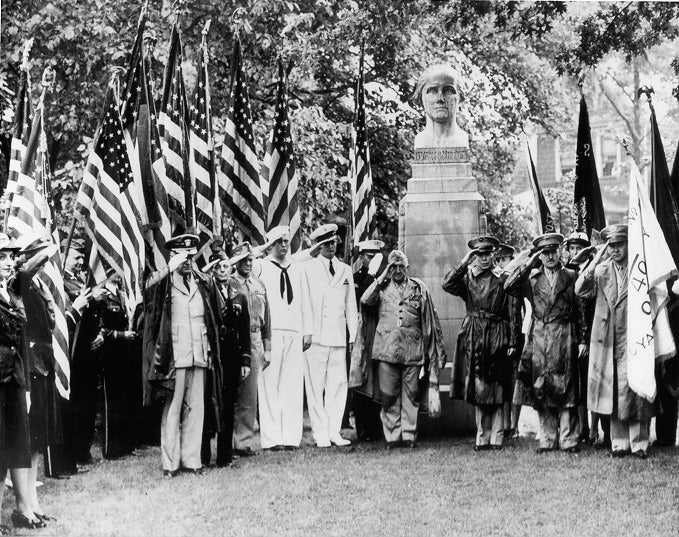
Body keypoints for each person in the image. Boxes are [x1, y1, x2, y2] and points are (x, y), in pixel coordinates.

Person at [143, 234, 222, 476]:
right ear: (174, 256)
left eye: (190, 256)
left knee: (196, 409)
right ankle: (170, 463)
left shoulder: (202, 282)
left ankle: (192, 460)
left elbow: (214, 313)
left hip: (199, 352)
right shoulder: (164, 282)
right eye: (182, 256)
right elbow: (148, 290)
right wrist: (169, 268)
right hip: (174, 355)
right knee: (172, 410)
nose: (187, 261)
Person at [575, 224, 653, 458]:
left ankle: (639, 443)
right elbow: (580, 289)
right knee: (613, 388)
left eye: (620, 245)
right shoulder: (600, 271)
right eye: (612, 245)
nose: (616, 250)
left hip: (633, 336)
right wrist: (597, 256)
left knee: (635, 388)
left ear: (628, 245)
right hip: (607, 338)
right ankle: (619, 443)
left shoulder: (640, 269)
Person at [355, 250, 445, 449]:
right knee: (388, 395)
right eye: (393, 266)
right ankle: (392, 437)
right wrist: (382, 276)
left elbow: (429, 320)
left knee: (411, 394)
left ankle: (408, 435)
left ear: (407, 267)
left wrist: (430, 351)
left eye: (400, 266)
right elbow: (364, 300)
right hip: (386, 350)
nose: (397, 270)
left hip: (413, 350)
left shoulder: (419, 288)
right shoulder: (382, 287)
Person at [505, 233, 587, 453]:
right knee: (542, 386)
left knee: (567, 386)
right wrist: (530, 261)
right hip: (540, 335)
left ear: (560, 250)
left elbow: (580, 310)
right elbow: (509, 286)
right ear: (539, 255)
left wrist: (583, 339)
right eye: (545, 252)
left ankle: (569, 439)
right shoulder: (530, 279)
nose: (550, 256)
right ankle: (547, 439)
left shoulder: (571, 275)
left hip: (565, 333)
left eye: (554, 251)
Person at [443, 236, 516, 451]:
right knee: (478, 385)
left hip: (497, 331)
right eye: (480, 254)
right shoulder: (467, 277)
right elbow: (446, 284)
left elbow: (513, 310)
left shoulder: (505, 277)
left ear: (495, 254)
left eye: (488, 254)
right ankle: (482, 435)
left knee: (497, 384)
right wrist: (465, 262)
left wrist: (511, 340)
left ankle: (497, 435)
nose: (484, 259)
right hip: (474, 332)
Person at [0, 233, 48, 530]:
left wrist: (25, 387)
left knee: (16, 446)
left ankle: (22, 510)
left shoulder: (11, 291)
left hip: (13, 380)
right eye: (1, 257)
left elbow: (41, 257)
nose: (7, 263)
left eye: (10, 257)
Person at [13, 235, 60, 524]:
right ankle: (25, 504)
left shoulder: (39, 285)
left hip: (42, 362)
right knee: (29, 439)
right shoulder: (22, 283)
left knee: (39, 440)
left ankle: (33, 501)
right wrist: (46, 248)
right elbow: (27, 271)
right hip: (30, 365)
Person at [254, 226, 312, 450]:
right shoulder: (260, 266)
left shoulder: (297, 268)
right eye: (278, 242)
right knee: (269, 384)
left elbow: (305, 299)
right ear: (270, 245)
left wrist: (308, 331)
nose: (283, 245)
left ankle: (290, 437)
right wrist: (263, 249)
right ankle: (272, 438)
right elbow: (242, 259)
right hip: (271, 333)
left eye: (286, 241)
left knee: (292, 385)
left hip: (294, 331)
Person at [303, 224, 358, 447]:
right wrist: (307, 331)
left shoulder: (345, 270)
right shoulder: (308, 269)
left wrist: (353, 336)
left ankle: (334, 431)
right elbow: (305, 303)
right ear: (319, 246)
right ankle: (320, 433)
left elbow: (350, 306)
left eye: (334, 242)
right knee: (315, 387)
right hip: (315, 337)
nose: (331, 247)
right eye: (326, 244)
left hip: (337, 337)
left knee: (338, 385)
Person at [200, 250, 251, 468]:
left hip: (231, 356)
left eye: (226, 266)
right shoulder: (205, 293)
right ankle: (202, 455)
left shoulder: (238, 294)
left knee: (229, 404)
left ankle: (224, 455)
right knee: (208, 402)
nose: (222, 270)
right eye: (218, 267)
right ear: (212, 269)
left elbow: (245, 330)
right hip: (213, 354)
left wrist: (245, 360)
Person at [229, 242, 271, 457]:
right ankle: (228, 441)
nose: (247, 263)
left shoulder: (259, 284)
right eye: (243, 260)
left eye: (250, 260)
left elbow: (268, 320)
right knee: (230, 391)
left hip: (254, 339)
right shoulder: (229, 284)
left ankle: (243, 442)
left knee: (248, 395)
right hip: (233, 340)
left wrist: (268, 346)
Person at [96, 273, 138, 459]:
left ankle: (124, 445)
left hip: (123, 353)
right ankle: (110, 448)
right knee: (110, 401)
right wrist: (122, 335)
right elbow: (100, 328)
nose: (120, 273)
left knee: (123, 398)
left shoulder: (121, 294)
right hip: (108, 354)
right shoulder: (102, 296)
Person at [351, 240, 385, 442]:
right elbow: (362, 299)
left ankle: (378, 428)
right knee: (361, 379)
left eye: (376, 256)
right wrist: (371, 275)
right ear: (361, 257)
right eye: (368, 256)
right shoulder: (356, 279)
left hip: (379, 331)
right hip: (361, 332)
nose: (372, 260)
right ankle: (363, 430)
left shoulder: (384, 279)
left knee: (379, 379)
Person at [494, 243, 523, 439]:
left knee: (515, 382)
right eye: (498, 260)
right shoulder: (496, 278)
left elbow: (515, 311)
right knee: (502, 382)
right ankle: (505, 424)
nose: (500, 263)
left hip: (515, 333)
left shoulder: (517, 278)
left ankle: (515, 424)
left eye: (503, 259)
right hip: (498, 333)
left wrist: (514, 340)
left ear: (511, 260)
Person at [413, 64, 469, 149]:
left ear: (460, 96)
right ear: (421, 96)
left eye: (448, 91)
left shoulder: (462, 140)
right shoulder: (421, 142)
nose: (440, 98)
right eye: (432, 91)